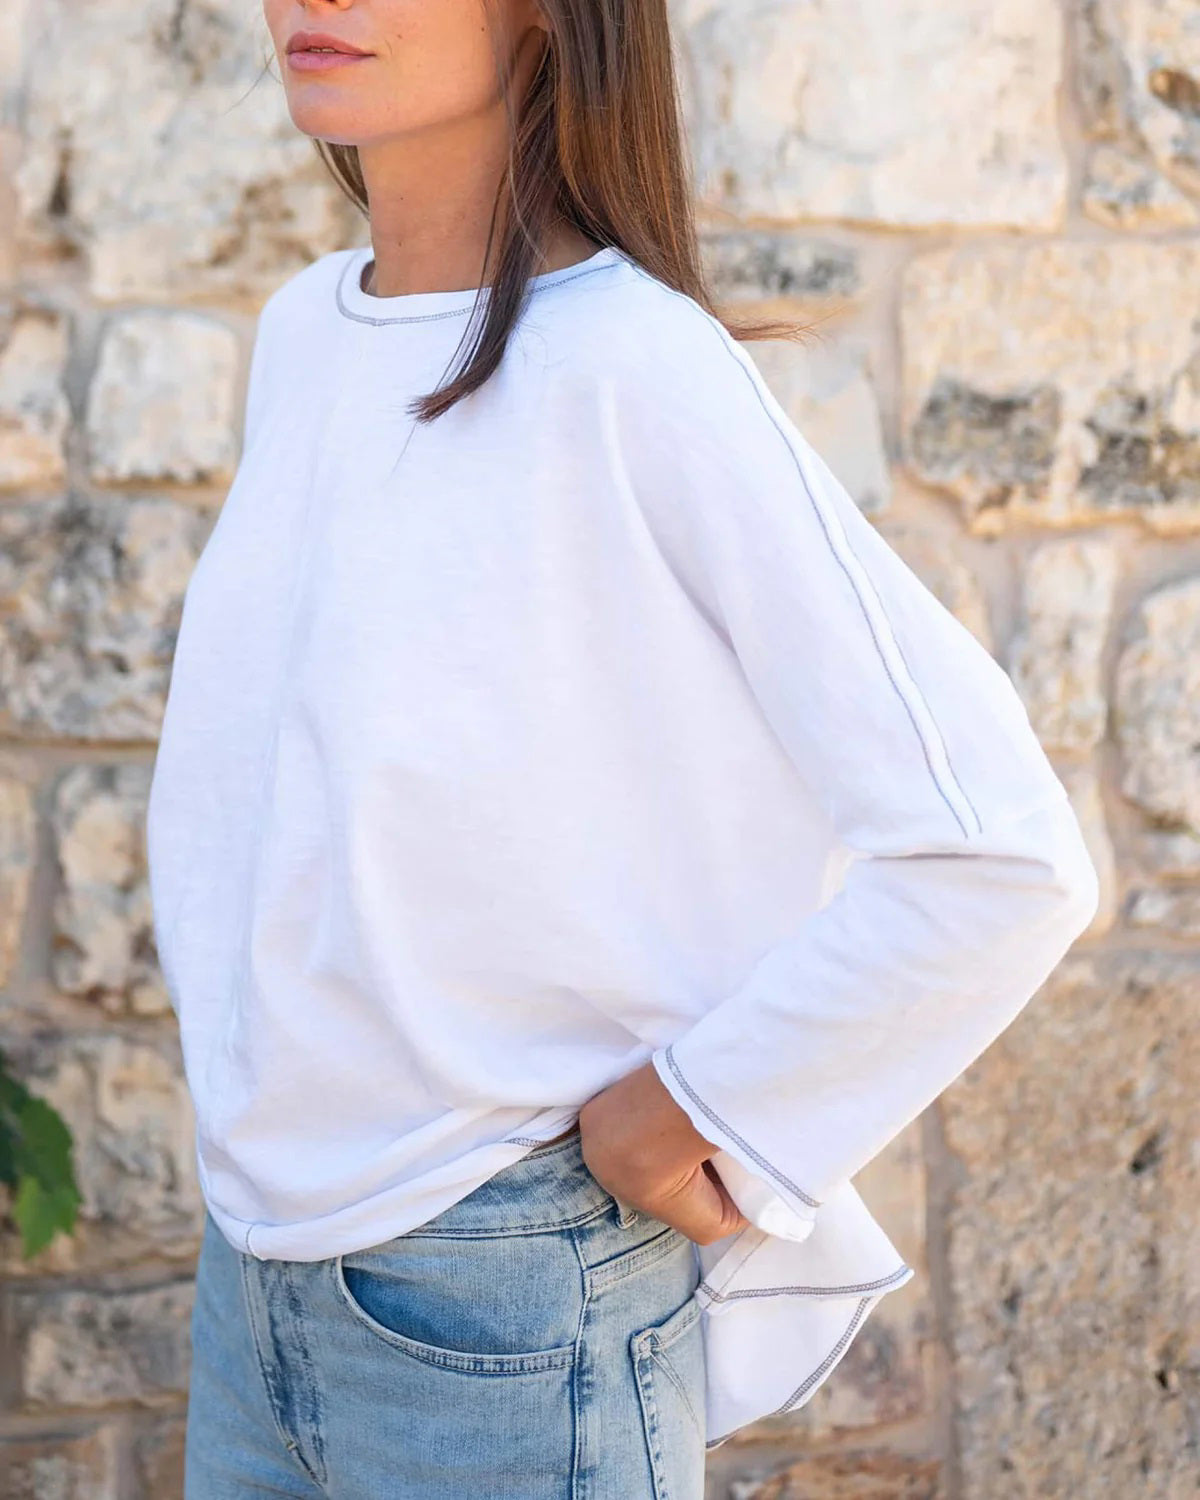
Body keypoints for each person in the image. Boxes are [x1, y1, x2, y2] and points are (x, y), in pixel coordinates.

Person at [145, 1, 1101, 1496]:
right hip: (251, 1280)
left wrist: (707, 1107)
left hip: (506, 1298)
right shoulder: (301, 335)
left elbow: (1002, 852)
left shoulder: (635, 369)